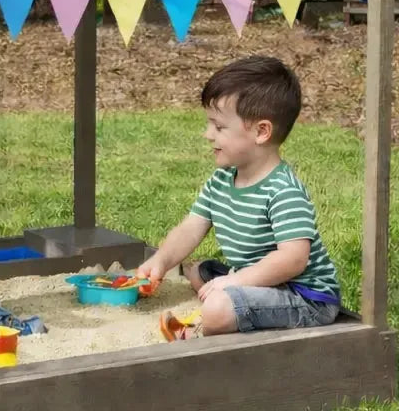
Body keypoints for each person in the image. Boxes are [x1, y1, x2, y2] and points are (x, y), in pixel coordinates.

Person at [138, 55, 341, 340]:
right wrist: (161, 261)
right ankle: (233, 300)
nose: (207, 134)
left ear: (261, 132)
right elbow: (191, 227)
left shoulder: (283, 190)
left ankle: (205, 323)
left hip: (303, 297)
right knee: (199, 271)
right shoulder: (221, 179)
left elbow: (293, 259)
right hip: (256, 279)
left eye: (219, 127)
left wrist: (235, 281)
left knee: (218, 308)